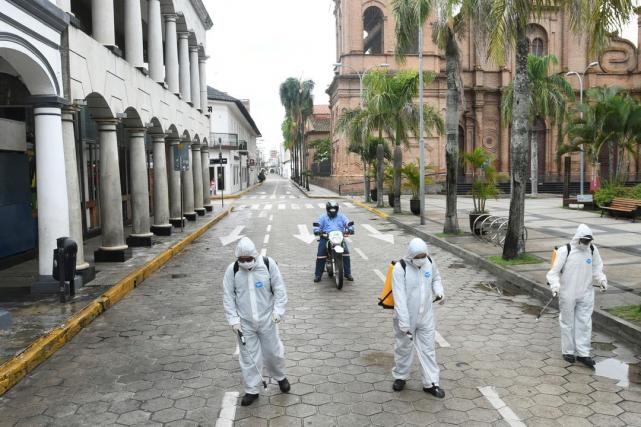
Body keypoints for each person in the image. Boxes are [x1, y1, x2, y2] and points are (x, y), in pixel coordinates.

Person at [223, 237, 290, 406]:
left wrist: (278, 312)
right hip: (244, 323)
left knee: (273, 351)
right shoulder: (232, 271)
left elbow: (279, 289)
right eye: (241, 260)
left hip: (268, 319)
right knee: (249, 357)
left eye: (248, 259)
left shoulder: (268, 265)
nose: (245, 263)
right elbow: (228, 297)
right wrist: (233, 320)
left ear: (255, 255)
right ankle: (252, 390)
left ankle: (280, 377)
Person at [546, 224, 607, 368]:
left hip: (586, 292)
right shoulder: (565, 250)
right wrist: (555, 286)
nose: (586, 243)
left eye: (588, 241)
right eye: (584, 240)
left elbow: (597, 268)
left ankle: (583, 353)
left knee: (584, 322)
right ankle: (568, 351)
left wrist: (602, 279)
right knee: (567, 322)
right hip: (568, 292)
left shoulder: (592, 250)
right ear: (578, 238)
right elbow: (553, 273)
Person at [391, 238, 445, 397]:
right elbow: (399, 298)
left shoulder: (429, 262)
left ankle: (431, 383)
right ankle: (400, 376)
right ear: (410, 255)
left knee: (428, 349)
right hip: (406, 317)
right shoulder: (400, 268)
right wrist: (404, 322)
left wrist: (439, 291)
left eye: (423, 255)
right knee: (403, 348)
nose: (421, 259)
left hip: (426, 315)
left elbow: (436, 278)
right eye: (417, 256)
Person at [313, 201, 354, 282]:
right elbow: (318, 225)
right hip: (326, 238)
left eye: (334, 209)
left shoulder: (342, 216)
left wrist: (350, 228)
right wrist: (317, 230)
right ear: (327, 209)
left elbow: (347, 223)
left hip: (339, 238)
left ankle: (347, 273)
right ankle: (318, 275)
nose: (333, 211)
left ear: (337, 209)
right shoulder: (322, 217)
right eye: (331, 209)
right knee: (321, 255)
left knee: (346, 253)